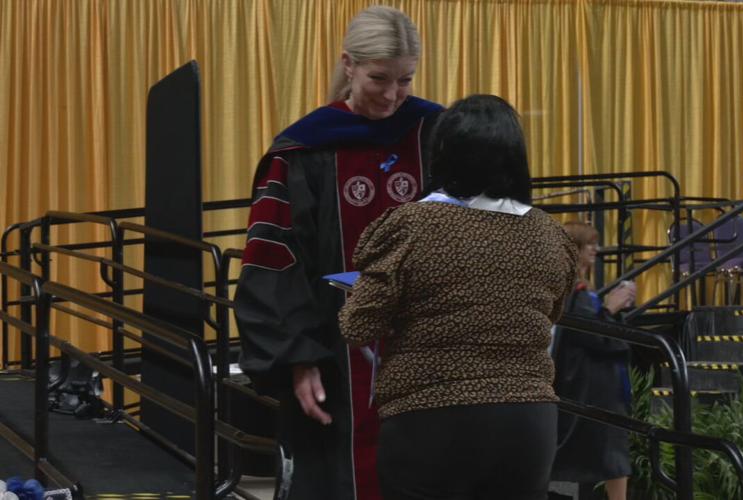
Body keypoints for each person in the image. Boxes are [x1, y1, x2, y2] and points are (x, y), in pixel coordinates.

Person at [233, 6, 443, 500]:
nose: (392, 96)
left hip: (428, 349)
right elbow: (274, 258)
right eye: (379, 78)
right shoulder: (303, 150)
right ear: (348, 65)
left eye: (405, 80)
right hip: (334, 354)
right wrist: (298, 358)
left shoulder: (433, 133)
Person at [339, 94, 578, 500]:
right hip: (529, 421)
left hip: (432, 416)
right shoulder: (552, 235)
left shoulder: (414, 224)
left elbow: (358, 324)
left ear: (443, 154)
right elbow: (553, 313)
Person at [549, 222, 635, 500]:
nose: (596, 250)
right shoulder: (574, 294)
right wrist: (611, 308)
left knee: (608, 460)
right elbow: (599, 338)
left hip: (594, 386)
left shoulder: (580, 293)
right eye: (589, 245)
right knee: (610, 458)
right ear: (574, 250)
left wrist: (614, 310)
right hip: (591, 388)